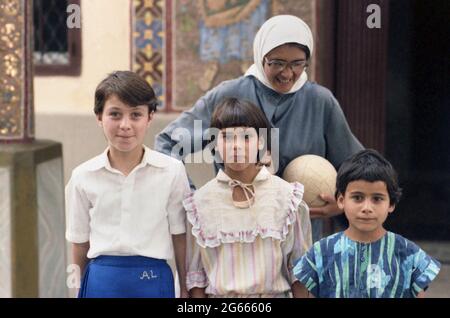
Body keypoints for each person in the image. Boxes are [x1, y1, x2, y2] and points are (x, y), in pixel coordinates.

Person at [155, 15, 363, 242]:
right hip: (236, 234)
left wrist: (344, 202)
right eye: (277, 63)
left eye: (297, 63)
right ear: (260, 55)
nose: (287, 73)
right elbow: (169, 143)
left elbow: (356, 166)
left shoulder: (320, 102)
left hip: (302, 237)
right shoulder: (228, 94)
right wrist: (193, 198)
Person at [65, 71, 190, 298]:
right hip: (100, 283)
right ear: (99, 117)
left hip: (154, 281)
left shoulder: (172, 171)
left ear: (150, 117)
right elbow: (79, 243)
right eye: (115, 114)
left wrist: (185, 288)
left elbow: (179, 236)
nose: (125, 125)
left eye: (135, 115)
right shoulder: (83, 176)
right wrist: (76, 292)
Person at [183, 98, 312, 298]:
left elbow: (300, 273)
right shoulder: (199, 204)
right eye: (226, 137)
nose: (236, 146)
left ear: (261, 141)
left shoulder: (287, 199)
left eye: (246, 137)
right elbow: (196, 279)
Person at [293, 149, 441, 298]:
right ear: (341, 200)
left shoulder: (409, 254)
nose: (367, 208)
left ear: (391, 203)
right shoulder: (321, 253)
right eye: (357, 197)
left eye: (377, 199)